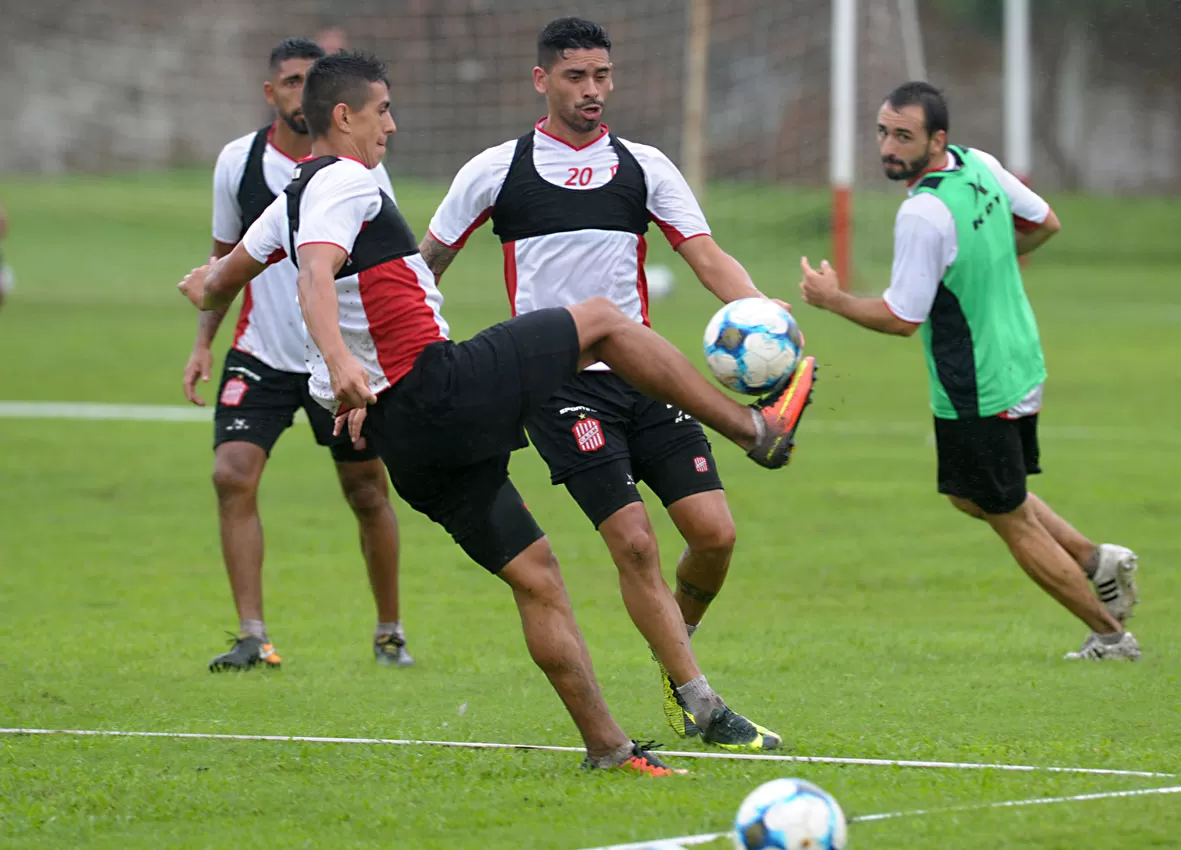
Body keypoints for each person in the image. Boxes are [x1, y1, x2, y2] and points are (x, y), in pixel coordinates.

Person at [175, 50, 816, 774]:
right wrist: (342, 360)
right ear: (345, 116)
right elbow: (316, 275)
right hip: (438, 387)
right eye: (382, 109)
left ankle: (608, 749)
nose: (392, 124)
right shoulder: (347, 183)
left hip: (404, 438)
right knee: (601, 320)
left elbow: (223, 280)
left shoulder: (289, 197)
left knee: (537, 574)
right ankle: (756, 429)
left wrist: (210, 291)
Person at [419, 17, 784, 748]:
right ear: (542, 80)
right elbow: (427, 267)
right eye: (576, 77)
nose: (593, 91)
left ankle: (671, 643)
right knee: (636, 545)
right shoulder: (495, 170)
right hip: (557, 389)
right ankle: (701, 702)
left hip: (648, 379)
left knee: (714, 536)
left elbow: (705, 253)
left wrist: (764, 319)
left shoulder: (644, 166)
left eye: (602, 76)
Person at [798, 81, 1142, 661]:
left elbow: (902, 319)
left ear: (937, 140)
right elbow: (1045, 223)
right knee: (972, 494)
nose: (888, 146)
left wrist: (832, 300)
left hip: (977, 383)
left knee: (1009, 517)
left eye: (903, 136)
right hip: (1019, 357)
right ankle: (1095, 559)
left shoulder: (923, 215)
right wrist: (986, 257)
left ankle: (1110, 635)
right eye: (883, 132)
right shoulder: (978, 165)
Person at [184, 37, 412, 672]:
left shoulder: (360, 171)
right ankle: (253, 634)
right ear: (274, 93)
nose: (299, 94)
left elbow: (379, 263)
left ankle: (389, 630)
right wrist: (204, 342)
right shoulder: (240, 163)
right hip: (260, 352)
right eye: (289, 83)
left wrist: (363, 357)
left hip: (336, 359)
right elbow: (222, 262)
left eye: (309, 82)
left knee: (368, 491)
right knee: (231, 474)